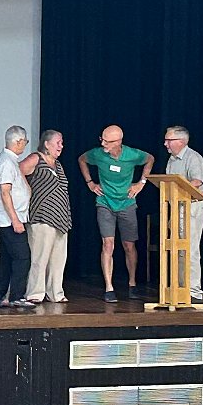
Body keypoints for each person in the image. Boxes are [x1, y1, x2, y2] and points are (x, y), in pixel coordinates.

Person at [78, 124, 154, 303]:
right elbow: (82, 159)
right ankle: (109, 287)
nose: (103, 144)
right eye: (102, 139)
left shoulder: (132, 154)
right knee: (108, 244)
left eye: (107, 141)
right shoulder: (98, 154)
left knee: (129, 245)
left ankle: (132, 283)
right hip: (105, 202)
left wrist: (141, 183)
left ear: (118, 141)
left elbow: (150, 159)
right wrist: (90, 182)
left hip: (127, 203)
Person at [19, 130, 72, 304]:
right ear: (47, 144)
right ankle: (35, 292)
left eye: (62, 143)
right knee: (40, 257)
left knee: (58, 259)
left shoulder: (57, 164)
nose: (61, 146)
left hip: (60, 218)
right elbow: (18, 171)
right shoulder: (36, 158)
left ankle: (55, 293)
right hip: (42, 217)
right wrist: (27, 189)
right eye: (58, 142)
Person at [0, 126, 35, 309]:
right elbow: (5, 192)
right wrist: (15, 220)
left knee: (7, 259)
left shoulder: (10, 160)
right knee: (23, 257)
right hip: (9, 220)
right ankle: (17, 296)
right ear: (19, 141)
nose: (25, 144)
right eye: (25, 141)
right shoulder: (6, 162)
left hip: (9, 219)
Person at [163, 125, 203, 303]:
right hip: (176, 206)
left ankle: (194, 291)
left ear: (181, 141)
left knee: (190, 248)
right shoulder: (172, 160)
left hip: (192, 206)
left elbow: (197, 181)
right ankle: (180, 289)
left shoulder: (193, 157)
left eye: (169, 140)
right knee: (177, 249)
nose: (165, 144)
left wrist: (180, 188)